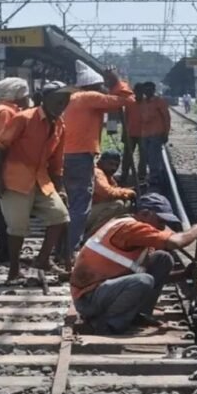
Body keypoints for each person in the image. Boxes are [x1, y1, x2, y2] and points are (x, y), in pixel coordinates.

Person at [70, 193, 197, 334]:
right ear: (144, 213)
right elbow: (175, 242)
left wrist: (184, 274)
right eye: (160, 221)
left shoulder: (131, 227)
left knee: (162, 259)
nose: (162, 227)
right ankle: (107, 324)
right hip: (89, 299)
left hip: (105, 289)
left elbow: (144, 273)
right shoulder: (132, 228)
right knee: (143, 280)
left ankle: (138, 315)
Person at [0, 81, 75, 281]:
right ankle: (14, 269)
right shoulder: (24, 118)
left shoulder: (60, 125)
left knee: (60, 216)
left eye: (65, 101)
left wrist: (60, 187)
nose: (62, 104)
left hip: (41, 180)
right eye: (58, 100)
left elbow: (57, 162)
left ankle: (43, 259)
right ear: (44, 99)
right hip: (15, 179)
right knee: (17, 227)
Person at [62, 60, 134, 255]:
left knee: (70, 201)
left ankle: (64, 246)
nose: (104, 89)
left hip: (65, 154)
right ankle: (72, 248)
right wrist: (117, 81)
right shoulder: (89, 97)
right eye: (101, 85)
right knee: (80, 203)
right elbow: (127, 101)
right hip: (79, 155)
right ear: (94, 85)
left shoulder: (73, 98)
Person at [0, 77, 31, 264]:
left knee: (6, 214)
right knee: (6, 215)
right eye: (26, 95)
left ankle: (4, 253)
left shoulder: (7, 110)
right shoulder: (5, 113)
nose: (28, 99)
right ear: (17, 96)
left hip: (8, 170)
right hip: (5, 171)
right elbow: (2, 145)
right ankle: (3, 254)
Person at [85, 150, 136, 238]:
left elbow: (114, 189)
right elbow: (107, 192)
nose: (114, 168)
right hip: (84, 213)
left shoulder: (107, 175)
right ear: (101, 161)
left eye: (116, 165)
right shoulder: (97, 173)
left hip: (91, 210)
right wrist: (128, 192)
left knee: (126, 203)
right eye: (111, 164)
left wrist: (127, 191)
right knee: (117, 205)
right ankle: (91, 236)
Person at [139, 82, 171, 189]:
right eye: (145, 89)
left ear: (153, 90)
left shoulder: (159, 102)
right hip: (144, 134)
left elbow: (166, 118)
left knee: (153, 157)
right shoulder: (142, 102)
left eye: (149, 89)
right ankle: (155, 175)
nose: (147, 91)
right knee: (147, 157)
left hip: (156, 133)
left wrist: (166, 133)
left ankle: (155, 178)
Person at [121, 83, 146, 184]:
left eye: (140, 92)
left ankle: (141, 175)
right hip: (130, 133)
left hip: (143, 133)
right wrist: (124, 134)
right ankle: (124, 174)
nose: (139, 94)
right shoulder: (129, 102)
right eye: (137, 92)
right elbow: (125, 118)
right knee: (127, 155)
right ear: (134, 92)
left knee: (143, 155)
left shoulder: (147, 102)